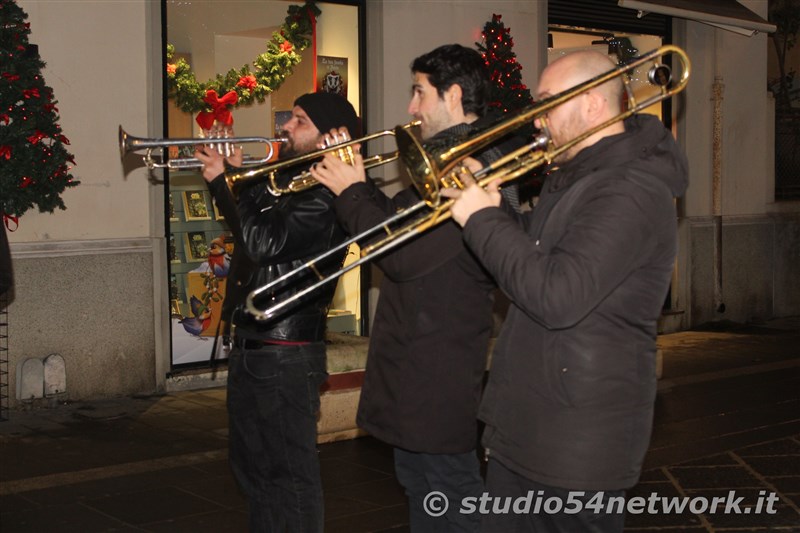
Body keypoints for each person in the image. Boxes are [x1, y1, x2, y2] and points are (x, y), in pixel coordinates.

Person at [442, 50, 689, 532]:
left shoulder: (631, 189)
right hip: (532, 425)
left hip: (577, 444)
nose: (538, 116)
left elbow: (558, 296)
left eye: (548, 103)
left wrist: (482, 218)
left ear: (593, 106)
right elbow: (532, 261)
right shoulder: (577, 178)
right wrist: (494, 209)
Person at [310, 43, 520, 532]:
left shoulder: (470, 167)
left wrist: (352, 190)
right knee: (421, 486)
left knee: (453, 492)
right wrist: (355, 186)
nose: (409, 107)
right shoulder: (440, 159)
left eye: (417, 93)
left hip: (439, 366)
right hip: (416, 360)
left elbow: (402, 254)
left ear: (451, 94)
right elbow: (395, 226)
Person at [193, 91, 361, 533]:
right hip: (256, 346)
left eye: (299, 120)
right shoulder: (292, 181)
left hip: (286, 351)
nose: (285, 126)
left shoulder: (327, 195)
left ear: (330, 135)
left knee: (289, 478)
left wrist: (223, 182)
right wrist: (237, 178)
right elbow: (257, 231)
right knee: (253, 471)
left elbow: (263, 243)